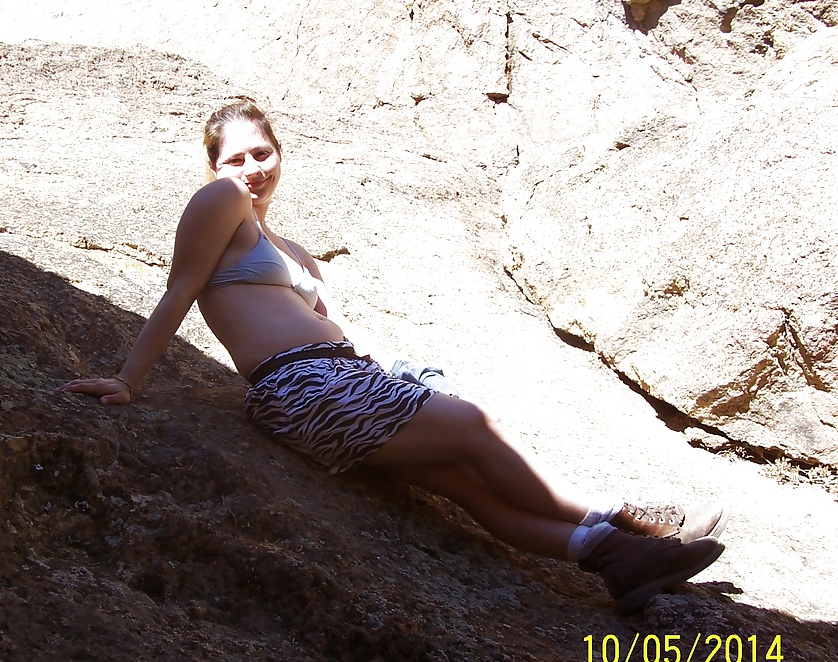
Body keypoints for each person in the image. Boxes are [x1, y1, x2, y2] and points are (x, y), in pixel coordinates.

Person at [61, 98, 728, 614]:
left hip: (346, 382)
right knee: (472, 425)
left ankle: (615, 560)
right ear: (215, 168)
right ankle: (628, 519)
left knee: (464, 479)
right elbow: (181, 288)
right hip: (298, 385)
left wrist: (396, 379)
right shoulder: (222, 202)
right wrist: (128, 379)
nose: (252, 169)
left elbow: (346, 330)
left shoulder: (295, 251)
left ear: (280, 153)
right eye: (237, 158)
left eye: (262, 153)